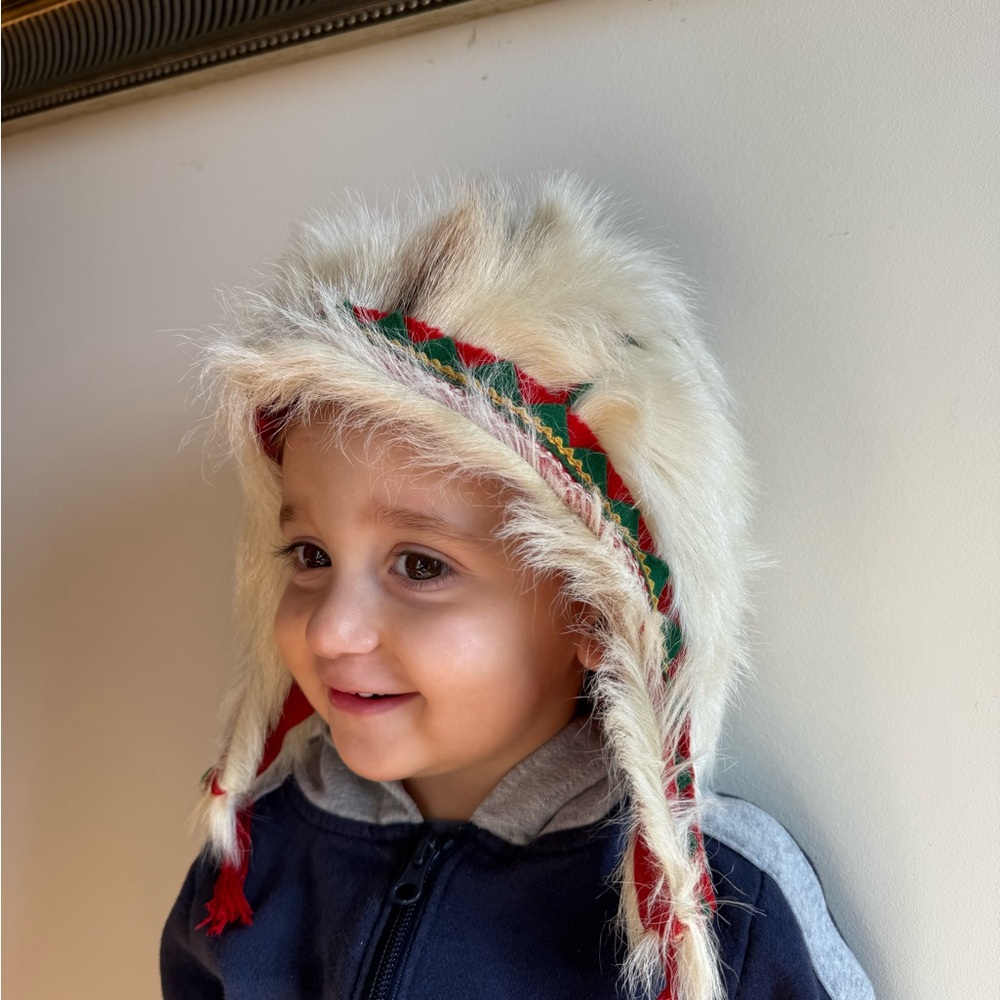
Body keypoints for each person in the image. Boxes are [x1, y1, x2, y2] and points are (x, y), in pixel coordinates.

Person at [161, 178, 874, 1000]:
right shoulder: (260, 857)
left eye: (421, 565)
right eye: (311, 554)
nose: (330, 630)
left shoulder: (716, 908)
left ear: (590, 605)